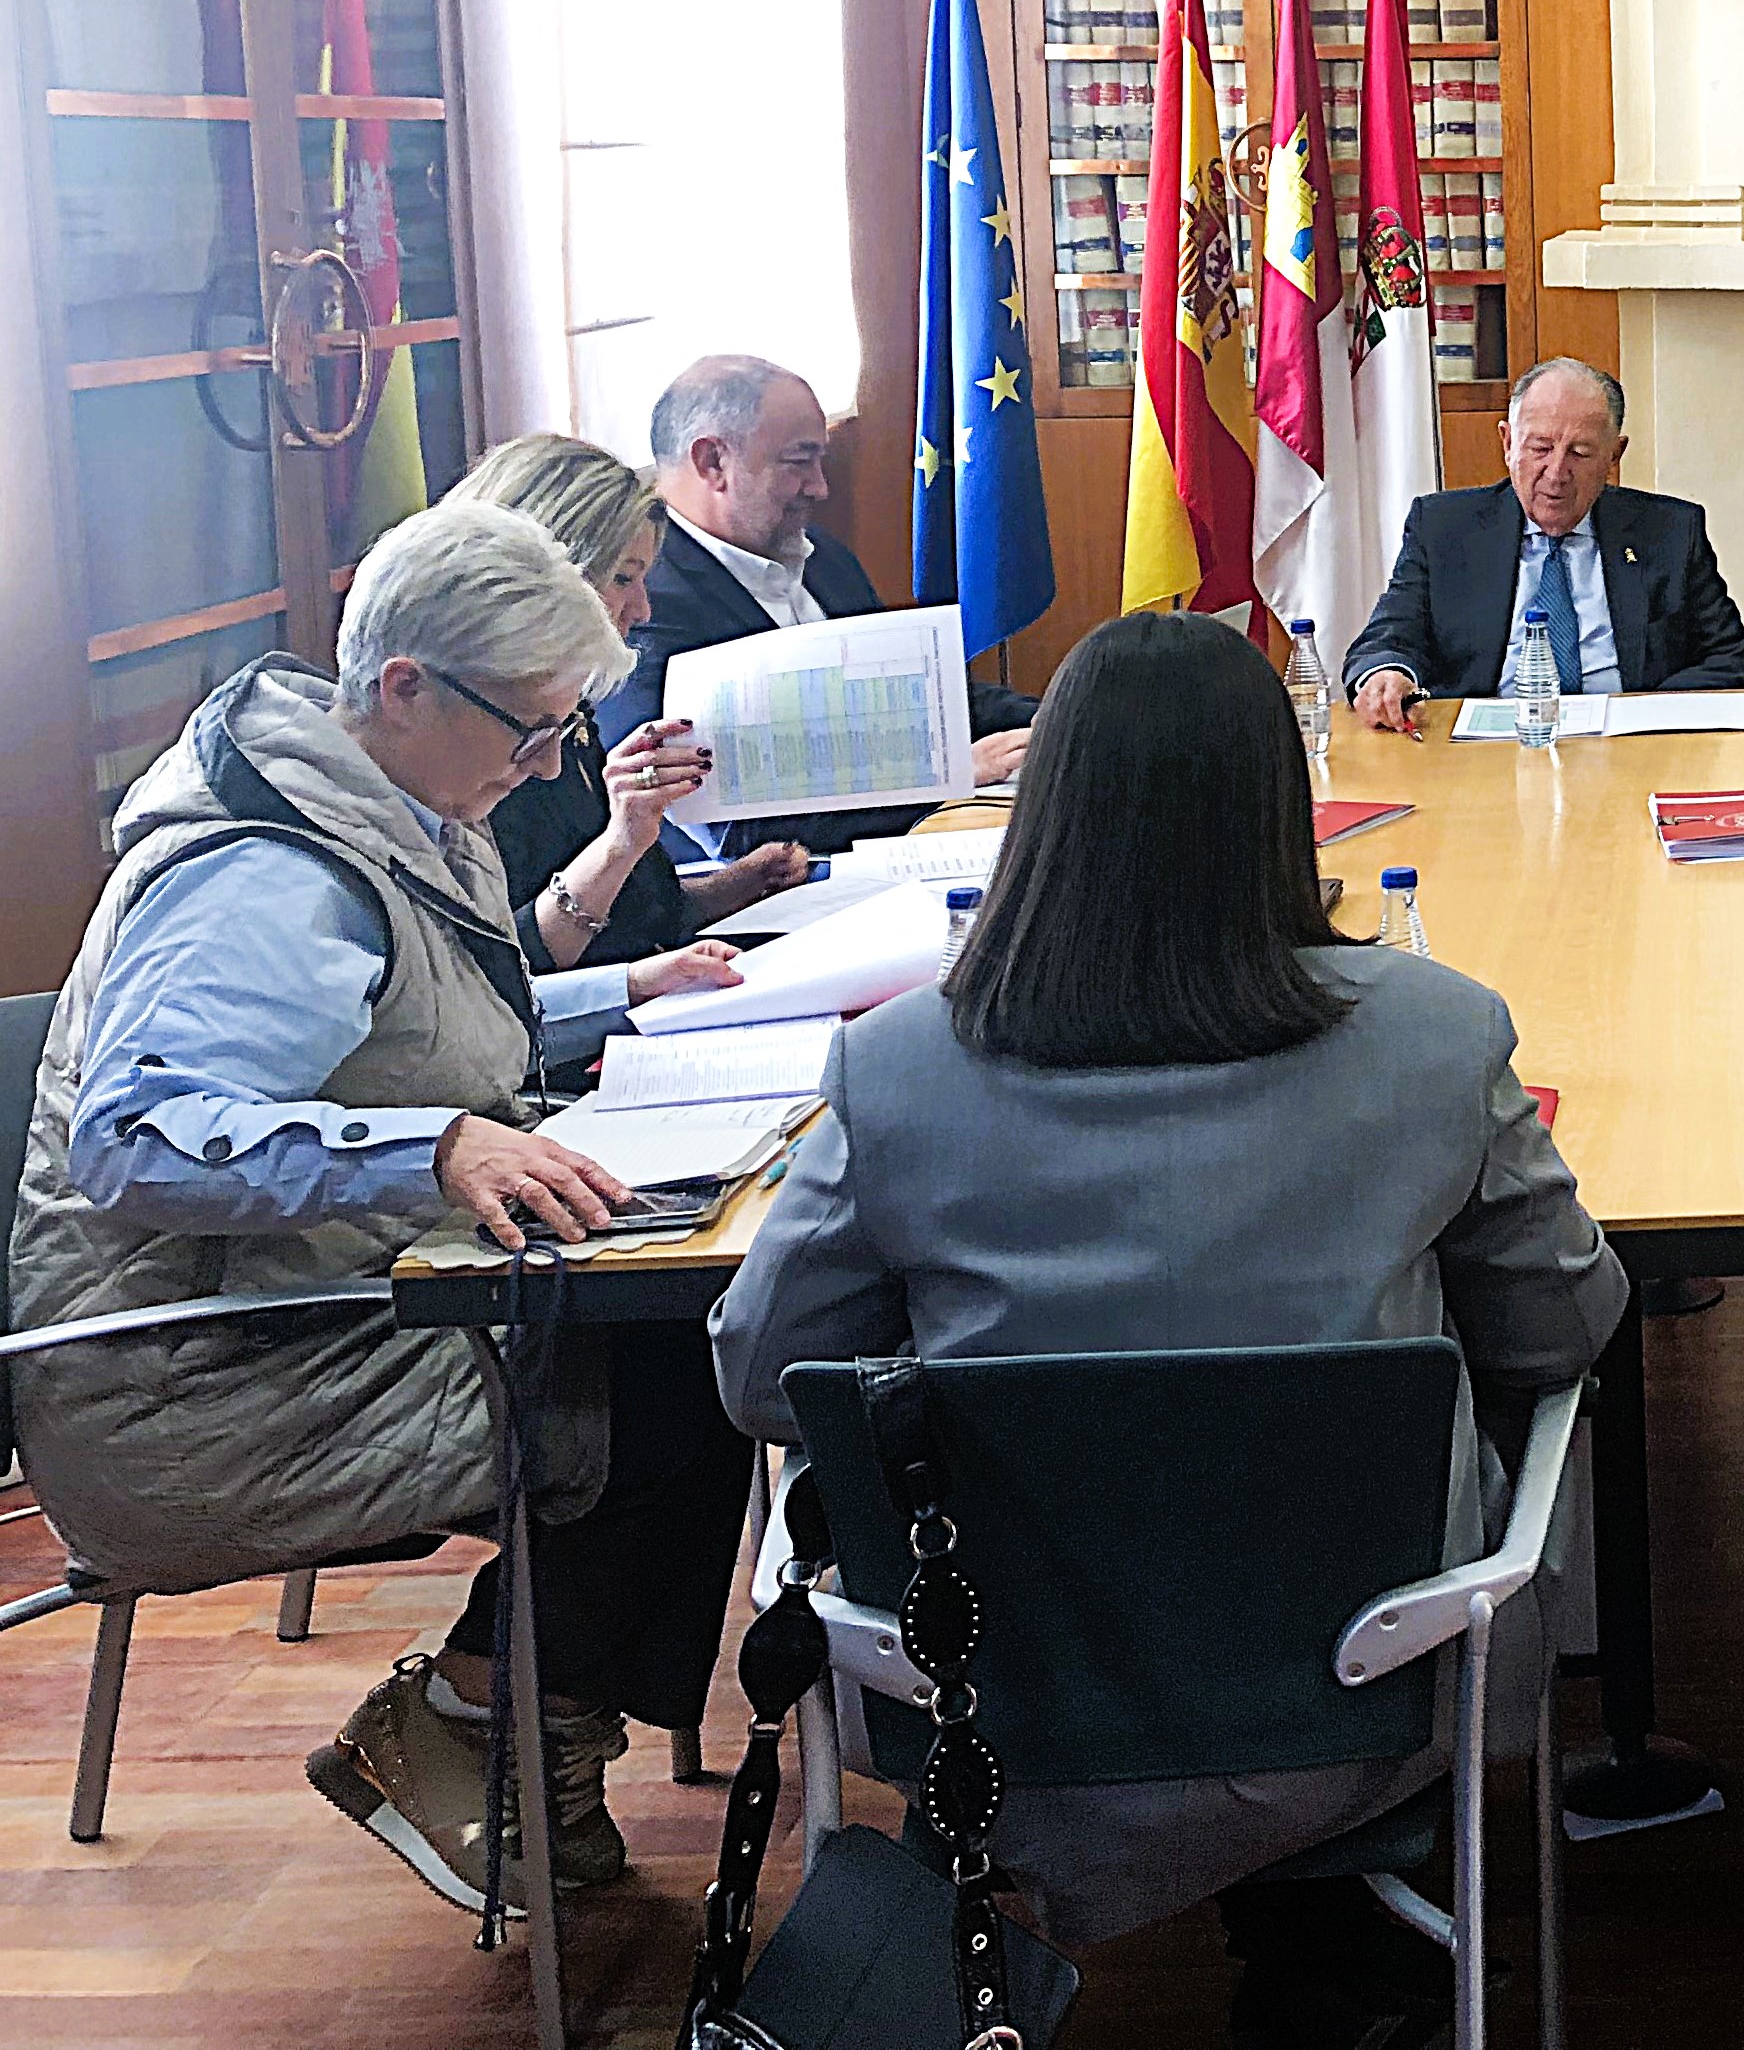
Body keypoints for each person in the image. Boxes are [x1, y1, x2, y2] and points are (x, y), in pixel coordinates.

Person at [713, 608, 1627, 2048]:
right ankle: (1339, 1926)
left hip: (993, 1698)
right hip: (1360, 1686)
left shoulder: (895, 1066)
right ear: (1280, 810)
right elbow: (1563, 1323)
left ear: (1046, 809)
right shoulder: (1435, 1035)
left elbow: (765, 1373)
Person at [9, 499, 754, 1916]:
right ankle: (476, 1728)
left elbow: (418, 1023)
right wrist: (431, 1147)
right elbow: (134, 1132)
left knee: (682, 1351)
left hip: (321, 1308)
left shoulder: (383, 797)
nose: (547, 766)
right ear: (404, 685)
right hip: (190, 1383)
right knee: (671, 1386)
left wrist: (621, 990)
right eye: (531, 732)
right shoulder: (264, 870)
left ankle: (519, 1746)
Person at [602, 354, 1036, 851]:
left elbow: (922, 701)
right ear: (713, 462)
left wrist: (1052, 721)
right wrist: (952, 778)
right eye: (798, 461)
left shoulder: (819, 555)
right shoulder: (640, 605)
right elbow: (723, 824)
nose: (820, 486)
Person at [452, 433, 813, 972]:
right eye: (624, 578)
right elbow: (503, 974)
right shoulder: (466, 736)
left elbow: (637, 920)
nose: (641, 609)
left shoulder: (569, 708)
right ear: (542, 575)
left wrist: (737, 884)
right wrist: (619, 842)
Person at [1343, 356, 1744, 726]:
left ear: (1614, 456)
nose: (1556, 472)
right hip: (1483, 754)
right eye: (1540, 448)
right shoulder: (1444, 528)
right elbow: (1387, 639)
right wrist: (1386, 675)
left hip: (1630, 750)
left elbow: (1734, 660)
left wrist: (1642, 712)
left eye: (1580, 453)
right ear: (1508, 443)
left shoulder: (1669, 531)